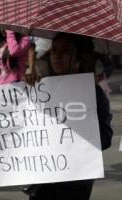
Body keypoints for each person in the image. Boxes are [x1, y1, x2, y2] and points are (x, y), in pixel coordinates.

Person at [23, 32, 113, 200]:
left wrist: (78, 131)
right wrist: (26, 88)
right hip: (44, 177)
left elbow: (106, 138)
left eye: (65, 51)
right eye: (54, 51)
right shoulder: (41, 88)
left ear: (78, 57)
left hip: (75, 181)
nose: (57, 56)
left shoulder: (93, 93)